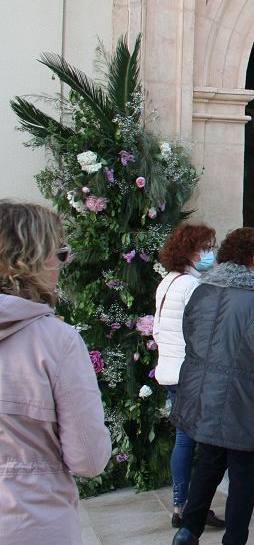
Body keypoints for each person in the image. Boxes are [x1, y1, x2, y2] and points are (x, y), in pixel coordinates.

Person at [170, 227, 254, 545]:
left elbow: (190, 336)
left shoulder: (202, 291)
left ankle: (188, 530)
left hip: (203, 395)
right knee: (242, 475)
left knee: (208, 463)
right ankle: (234, 540)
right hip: (245, 402)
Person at [0, 200, 111, 544]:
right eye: (60, 254)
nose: (63, 264)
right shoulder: (56, 340)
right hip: (31, 519)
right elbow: (88, 459)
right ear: (27, 261)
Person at [154, 223, 225, 529]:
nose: (210, 254)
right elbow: (205, 333)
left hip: (171, 370)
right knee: (197, 444)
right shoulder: (191, 286)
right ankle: (190, 508)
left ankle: (181, 505)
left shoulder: (167, 282)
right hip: (190, 374)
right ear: (191, 251)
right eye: (206, 248)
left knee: (184, 440)